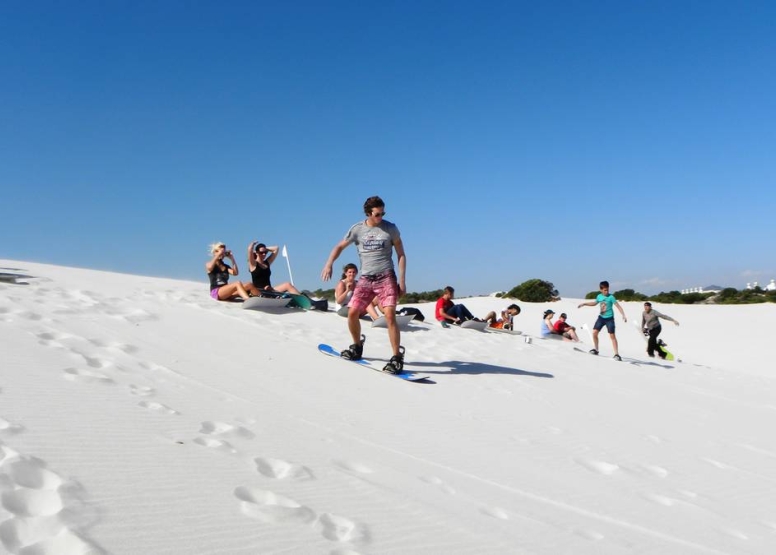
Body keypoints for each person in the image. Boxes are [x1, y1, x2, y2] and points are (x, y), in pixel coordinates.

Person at [321, 196, 407, 374]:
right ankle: (357, 346)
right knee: (352, 313)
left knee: (390, 315)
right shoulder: (357, 229)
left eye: (383, 213)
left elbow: (401, 254)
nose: (381, 217)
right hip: (366, 278)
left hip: (386, 276)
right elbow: (339, 247)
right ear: (368, 213)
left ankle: (397, 358)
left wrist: (402, 281)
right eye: (377, 214)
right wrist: (329, 263)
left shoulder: (390, 228)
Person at [577, 280, 627, 360]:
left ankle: (617, 354)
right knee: (594, 333)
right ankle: (596, 350)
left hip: (609, 319)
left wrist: (623, 315)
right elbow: (594, 303)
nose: (606, 291)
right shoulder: (599, 296)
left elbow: (618, 306)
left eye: (607, 290)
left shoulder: (611, 297)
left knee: (612, 336)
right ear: (601, 289)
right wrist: (584, 304)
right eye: (604, 290)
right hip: (601, 318)